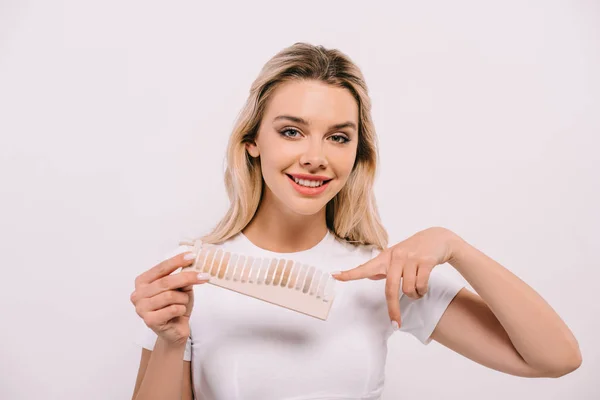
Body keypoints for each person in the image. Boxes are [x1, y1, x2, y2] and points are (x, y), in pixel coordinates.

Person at [129, 43, 582, 400]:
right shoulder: (188, 275)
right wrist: (170, 340)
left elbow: (556, 358)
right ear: (252, 141)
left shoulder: (383, 277)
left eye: (338, 137)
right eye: (291, 131)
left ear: (357, 153)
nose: (314, 157)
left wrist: (453, 245)